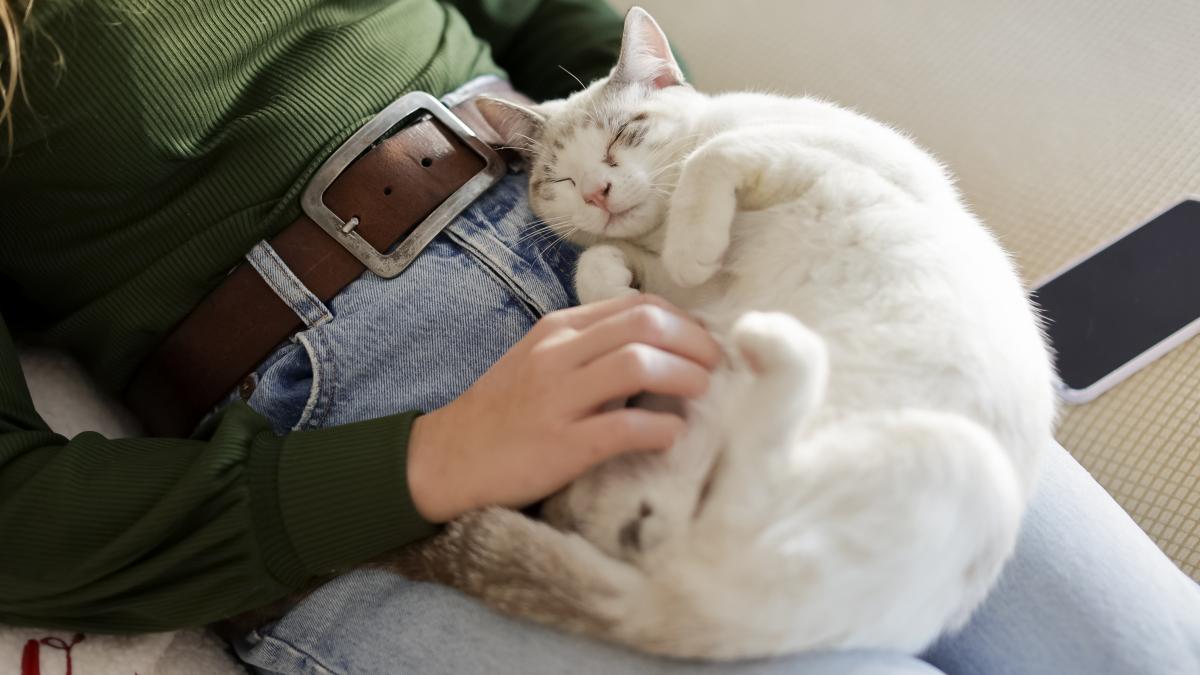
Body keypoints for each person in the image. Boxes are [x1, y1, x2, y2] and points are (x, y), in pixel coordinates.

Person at [0, 1, 1196, 673]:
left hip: (695, 261)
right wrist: (437, 461)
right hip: (361, 429)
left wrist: (680, 172)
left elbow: (574, 23)